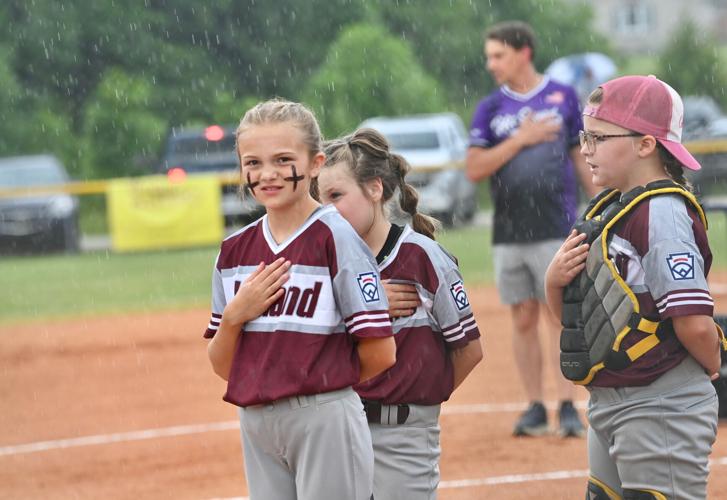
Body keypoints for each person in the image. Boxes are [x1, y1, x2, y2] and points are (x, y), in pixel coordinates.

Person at [203, 99, 397, 500]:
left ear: (315, 164)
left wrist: (317, 387)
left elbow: (381, 351)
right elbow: (225, 365)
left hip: (323, 414)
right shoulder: (234, 250)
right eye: (252, 162)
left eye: (282, 159)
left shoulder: (337, 238)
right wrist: (235, 316)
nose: (266, 174)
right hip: (257, 420)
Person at [545, 75, 722, 499]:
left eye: (599, 137)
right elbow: (579, 320)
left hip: (661, 401)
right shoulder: (609, 209)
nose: (585, 148)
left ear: (645, 144)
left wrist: (713, 364)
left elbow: (694, 324)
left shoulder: (663, 212)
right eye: (584, 136)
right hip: (611, 400)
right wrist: (553, 280)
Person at [318, 128, 484, 500]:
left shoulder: (421, 257)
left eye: (336, 195)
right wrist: (367, 308)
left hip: (403, 436)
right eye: (319, 198)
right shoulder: (322, 264)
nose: (325, 208)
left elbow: (469, 350)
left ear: (375, 189)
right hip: (338, 430)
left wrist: (417, 403)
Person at [465, 20, 596, 437]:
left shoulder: (562, 97)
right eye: (488, 56)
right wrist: (521, 139)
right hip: (508, 231)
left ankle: (568, 406)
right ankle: (535, 406)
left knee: (558, 317)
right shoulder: (490, 108)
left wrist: (603, 203)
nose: (491, 64)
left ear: (524, 53)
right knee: (522, 318)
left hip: (558, 227)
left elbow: (579, 157)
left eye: (498, 55)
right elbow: (474, 169)